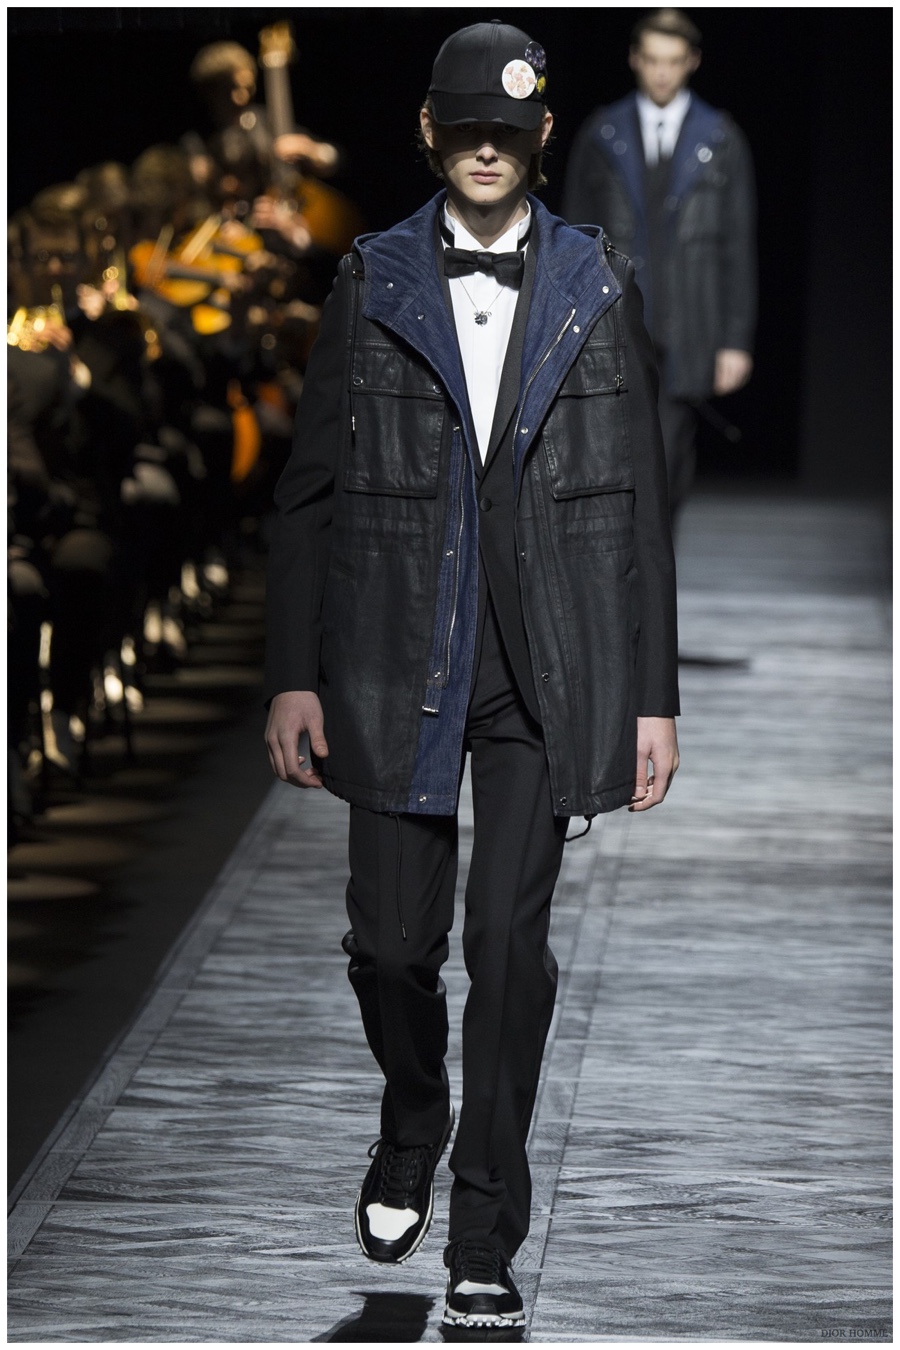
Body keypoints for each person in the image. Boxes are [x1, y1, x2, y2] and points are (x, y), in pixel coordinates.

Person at [264, 20, 679, 1331]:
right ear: (430, 133)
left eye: (508, 130)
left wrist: (652, 693)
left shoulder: (599, 282)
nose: (487, 149)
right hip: (396, 652)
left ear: (542, 135)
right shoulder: (373, 277)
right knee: (394, 949)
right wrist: (292, 673)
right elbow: (311, 490)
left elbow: (635, 501)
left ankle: (484, 1233)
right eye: (466, 129)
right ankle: (412, 1117)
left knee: (508, 947)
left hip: (544, 666)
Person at [562, 8, 757, 527]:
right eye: (652, 60)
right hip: (613, 321)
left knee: (668, 462)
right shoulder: (602, 135)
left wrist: (734, 340)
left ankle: (653, 561)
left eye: (673, 60)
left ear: (692, 61)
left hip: (689, 323)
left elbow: (737, 245)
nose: (662, 72)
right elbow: (573, 237)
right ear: (634, 59)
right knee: (612, 457)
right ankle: (626, 565)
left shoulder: (720, 140)